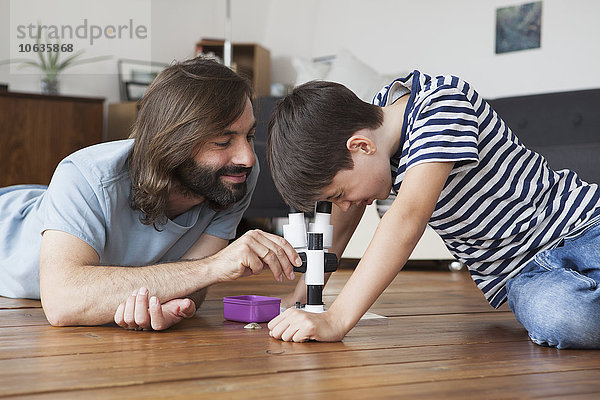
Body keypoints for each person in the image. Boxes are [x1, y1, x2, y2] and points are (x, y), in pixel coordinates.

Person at [266, 71, 600, 349]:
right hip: (523, 275)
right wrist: (303, 298)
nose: (345, 205)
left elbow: (407, 217)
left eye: (340, 193)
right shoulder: (376, 141)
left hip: (583, 225)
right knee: (563, 317)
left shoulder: (440, 104)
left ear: (362, 146)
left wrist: (337, 319)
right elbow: (341, 224)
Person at [0, 57, 300, 331]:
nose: (247, 157)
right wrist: (216, 264)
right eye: (223, 141)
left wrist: (164, 306)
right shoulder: (85, 175)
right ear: (174, 144)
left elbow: (193, 282)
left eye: (249, 135)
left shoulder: (234, 177)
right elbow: (64, 300)